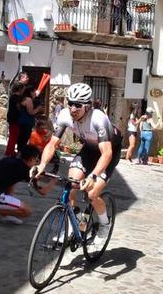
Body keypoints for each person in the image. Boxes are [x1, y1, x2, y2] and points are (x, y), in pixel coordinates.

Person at [33, 83, 122, 243]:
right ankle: (72, 225)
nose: (73, 109)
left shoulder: (98, 119)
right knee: (71, 184)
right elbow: (53, 143)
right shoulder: (65, 115)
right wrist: (42, 165)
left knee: (92, 193)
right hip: (89, 149)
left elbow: (106, 153)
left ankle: (104, 223)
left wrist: (93, 176)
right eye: (70, 103)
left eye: (78, 105)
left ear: (87, 106)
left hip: (108, 152)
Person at [0, 146, 56, 228]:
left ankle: (4, 215)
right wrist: (54, 180)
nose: (36, 163)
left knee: (12, 184)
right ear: (31, 159)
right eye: (36, 160)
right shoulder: (25, 170)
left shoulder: (11, 160)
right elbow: (43, 191)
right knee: (26, 211)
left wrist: (36, 177)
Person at [17, 85, 44, 154]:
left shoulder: (24, 98)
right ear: (30, 92)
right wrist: (38, 109)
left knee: (22, 138)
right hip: (26, 122)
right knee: (24, 139)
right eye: (34, 92)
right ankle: (21, 153)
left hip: (23, 121)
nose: (35, 93)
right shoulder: (28, 99)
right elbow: (31, 112)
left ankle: (20, 152)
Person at [4, 82, 24, 157]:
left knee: (13, 135)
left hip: (13, 117)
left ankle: (10, 150)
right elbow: (18, 107)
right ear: (20, 89)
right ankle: (10, 151)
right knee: (13, 135)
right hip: (14, 118)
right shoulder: (16, 97)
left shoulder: (13, 96)